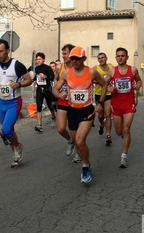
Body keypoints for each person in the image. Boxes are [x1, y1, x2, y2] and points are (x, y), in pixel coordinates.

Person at [53, 46, 107, 184]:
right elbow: (55, 88)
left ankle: (85, 166)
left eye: (77, 58)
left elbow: (104, 84)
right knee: (78, 143)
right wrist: (59, 94)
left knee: (79, 141)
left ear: (84, 58)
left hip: (87, 110)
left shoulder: (92, 72)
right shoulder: (66, 73)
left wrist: (100, 102)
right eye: (72, 58)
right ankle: (86, 162)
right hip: (72, 111)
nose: (74, 60)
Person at [0, 39, 33, 167]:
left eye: (1, 51)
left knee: (6, 129)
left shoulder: (17, 65)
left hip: (14, 102)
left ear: (8, 51)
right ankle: (16, 154)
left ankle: (17, 146)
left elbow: (28, 80)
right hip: (1, 102)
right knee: (9, 131)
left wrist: (18, 84)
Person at [106, 47, 142, 168]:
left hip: (129, 103)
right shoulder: (112, 71)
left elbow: (139, 81)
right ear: (116, 57)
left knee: (126, 129)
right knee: (119, 131)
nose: (120, 58)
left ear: (127, 57)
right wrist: (109, 88)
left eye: (122, 55)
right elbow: (105, 84)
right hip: (116, 104)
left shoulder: (133, 70)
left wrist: (138, 85)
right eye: (118, 56)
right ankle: (123, 135)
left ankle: (123, 156)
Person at [55, 44, 78, 161]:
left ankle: (79, 151)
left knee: (76, 130)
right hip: (63, 101)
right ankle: (70, 141)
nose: (63, 56)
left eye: (65, 53)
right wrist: (58, 93)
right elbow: (55, 83)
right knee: (61, 128)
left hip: (76, 103)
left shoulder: (78, 67)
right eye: (62, 53)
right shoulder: (60, 67)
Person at [92, 52, 113, 146]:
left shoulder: (111, 66)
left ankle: (108, 135)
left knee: (108, 114)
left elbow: (114, 76)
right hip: (98, 94)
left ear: (106, 58)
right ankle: (101, 125)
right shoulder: (95, 68)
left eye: (102, 57)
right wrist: (101, 82)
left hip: (108, 93)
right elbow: (91, 79)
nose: (101, 59)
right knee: (100, 115)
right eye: (99, 58)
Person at [33, 53, 56, 132]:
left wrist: (45, 76)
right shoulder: (36, 68)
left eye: (39, 59)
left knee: (50, 105)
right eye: (37, 59)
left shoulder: (48, 68)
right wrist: (33, 80)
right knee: (39, 106)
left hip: (47, 89)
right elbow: (35, 77)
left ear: (43, 60)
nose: (38, 61)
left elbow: (52, 77)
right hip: (39, 89)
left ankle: (53, 116)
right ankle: (39, 125)